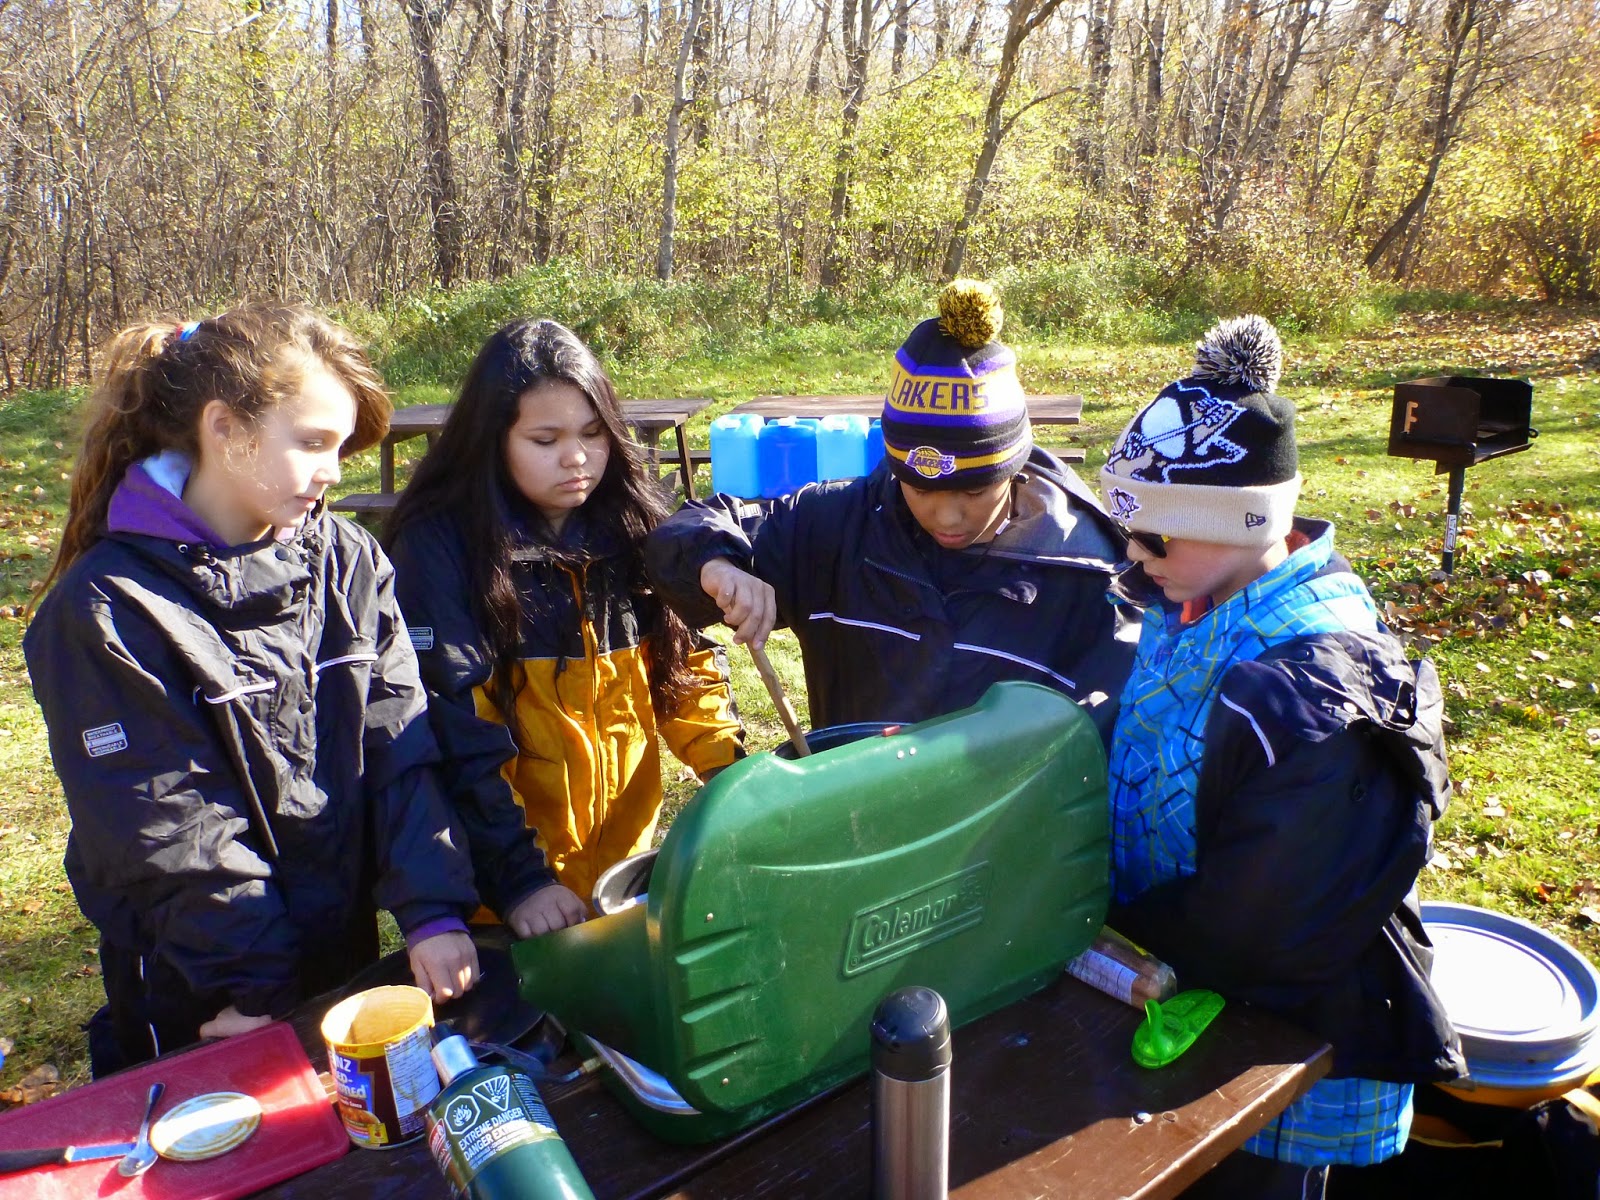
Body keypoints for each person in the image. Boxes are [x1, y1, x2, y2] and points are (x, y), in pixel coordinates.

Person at [25, 304, 482, 1076]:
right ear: (224, 429)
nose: (335, 471)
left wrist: (432, 909)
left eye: (339, 447)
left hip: (339, 952)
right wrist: (256, 991)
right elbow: (170, 828)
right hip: (204, 993)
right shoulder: (106, 610)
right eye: (312, 443)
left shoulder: (349, 560)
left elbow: (401, 744)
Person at [1097, 315, 1466, 1199]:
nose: (1134, 559)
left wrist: (1106, 937)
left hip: (1282, 1066)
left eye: (1155, 537)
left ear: (1248, 520)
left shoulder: (1311, 693)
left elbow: (1265, 925)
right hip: (1189, 999)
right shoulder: (1200, 592)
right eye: (1127, 533)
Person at [643, 279, 1138, 738]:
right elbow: (686, 529)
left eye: (972, 492)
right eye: (920, 490)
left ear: (1012, 467)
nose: (947, 517)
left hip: (1007, 825)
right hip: (862, 817)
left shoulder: (1087, 574)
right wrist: (716, 563)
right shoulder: (836, 527)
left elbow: (1111, 731)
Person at [383, 319, 745, 917]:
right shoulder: (440, 548)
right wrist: (520, 882)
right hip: (505, 898)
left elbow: (684, 674)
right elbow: (453, 731)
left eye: (593, 433)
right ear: (492, 439)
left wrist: (735, 776)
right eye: (545, 441)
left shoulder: (635, 524)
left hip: (624, 878)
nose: (576, 458)